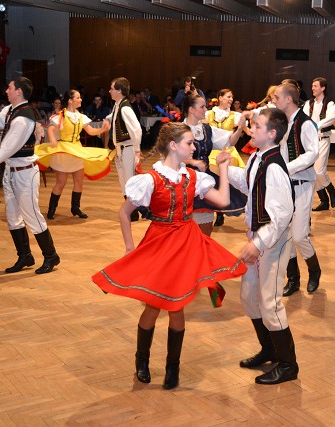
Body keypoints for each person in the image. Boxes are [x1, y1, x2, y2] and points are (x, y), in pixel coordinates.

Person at [92, 122, 246, 389]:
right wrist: (129, 248)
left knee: (177, 305)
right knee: (153, 305)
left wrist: (222, 168)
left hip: (186, 243)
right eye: (189, 143)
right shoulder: (150, 179)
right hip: (160, 243)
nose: (194, 147)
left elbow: (222, 201)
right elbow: (124, 213)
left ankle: (172, 367)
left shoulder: (193, 177)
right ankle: (142, 361)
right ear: (174, 146)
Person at [227, 108, 299, 385]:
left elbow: (282, 216)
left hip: (273, 242)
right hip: (259, 238)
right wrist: (221, 169)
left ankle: (288, 364)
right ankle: (269, 349)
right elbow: (249, 184)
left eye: (258, 126)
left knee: (270, 302)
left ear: (272, 134)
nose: (252, 129)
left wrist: (257, 244)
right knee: (249, 297)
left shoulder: (275, 167)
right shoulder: (259, 157)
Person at [0, 77, 61, 275]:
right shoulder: (12, 110)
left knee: (32, 215)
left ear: (19, 92)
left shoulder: (23, 118)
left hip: (25, 173)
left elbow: (5, 150)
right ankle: (25, 255)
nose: (6, 91)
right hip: (12, 170)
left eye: (9, 88)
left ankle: (51, 255)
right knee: (13, 217)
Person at [272, 82, 322, 296]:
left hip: (302, 183)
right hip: (284, 184)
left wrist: (287, 168)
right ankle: (293, 279)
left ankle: (314, 270)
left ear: (288, 99)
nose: (273, 100)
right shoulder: (282, 121)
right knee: (285, 234)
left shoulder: (305, 123)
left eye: (276, 97)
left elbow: (312, 153)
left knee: (300, 235)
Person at [35, 89, 112, 219]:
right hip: (64, 151)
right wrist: (52, 139)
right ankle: (52, 208)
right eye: (77, 97)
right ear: (70, 100)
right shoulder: (61, 115)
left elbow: (90, 131)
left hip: (76, 150)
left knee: (79, 182)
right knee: (61, 182)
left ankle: (75, 208)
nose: (80, 99)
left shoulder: (80, 116)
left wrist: (102, 129)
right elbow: (51, 129)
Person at [182, 93, 246, 236]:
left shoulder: (206, 129)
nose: (206, 109)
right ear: (191, 109)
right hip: (184, 182)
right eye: (202, 107)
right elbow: (170, 155)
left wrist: (240, 129)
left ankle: (202, 248)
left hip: (205, 181)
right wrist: (192, 162)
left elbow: (229, 141)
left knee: (206, 227)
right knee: (187, 228)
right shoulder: (179, 129)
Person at [205, 88, 247, 227]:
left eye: (232, 97)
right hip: (212, 151)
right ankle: (218, 212)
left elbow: (246, 130)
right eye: (228, 96)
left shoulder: (235, 115)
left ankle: (231, 207)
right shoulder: (209, 114)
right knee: (213, 181)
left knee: (229, 182)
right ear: (220, 97)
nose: (231, 99)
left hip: (228, 151)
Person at [104, 77, 143, 221]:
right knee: (124, 181)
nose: (109, 91)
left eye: (112, 88)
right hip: (121, 149)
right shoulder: (118, 105)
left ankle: (141, 211)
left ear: (119, 90)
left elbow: (137, 129)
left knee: (130, 181)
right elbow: (114, 115)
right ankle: (132, 211)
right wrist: (108, 119)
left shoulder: (125, 107)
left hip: (128, 149)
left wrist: (137, 150)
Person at [303, 77, 335, 212]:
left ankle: (331, 189)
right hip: (310, 141)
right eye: (312, 86)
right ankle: (324, 201)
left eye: (315, 86)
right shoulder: (309, 103)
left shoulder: (329, 103)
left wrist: (316, 125)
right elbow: (304, 118)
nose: (313, 88)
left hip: (322, 139)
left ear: (323, 88)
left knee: (319, 171)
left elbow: (332, 117)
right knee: (312, 172)